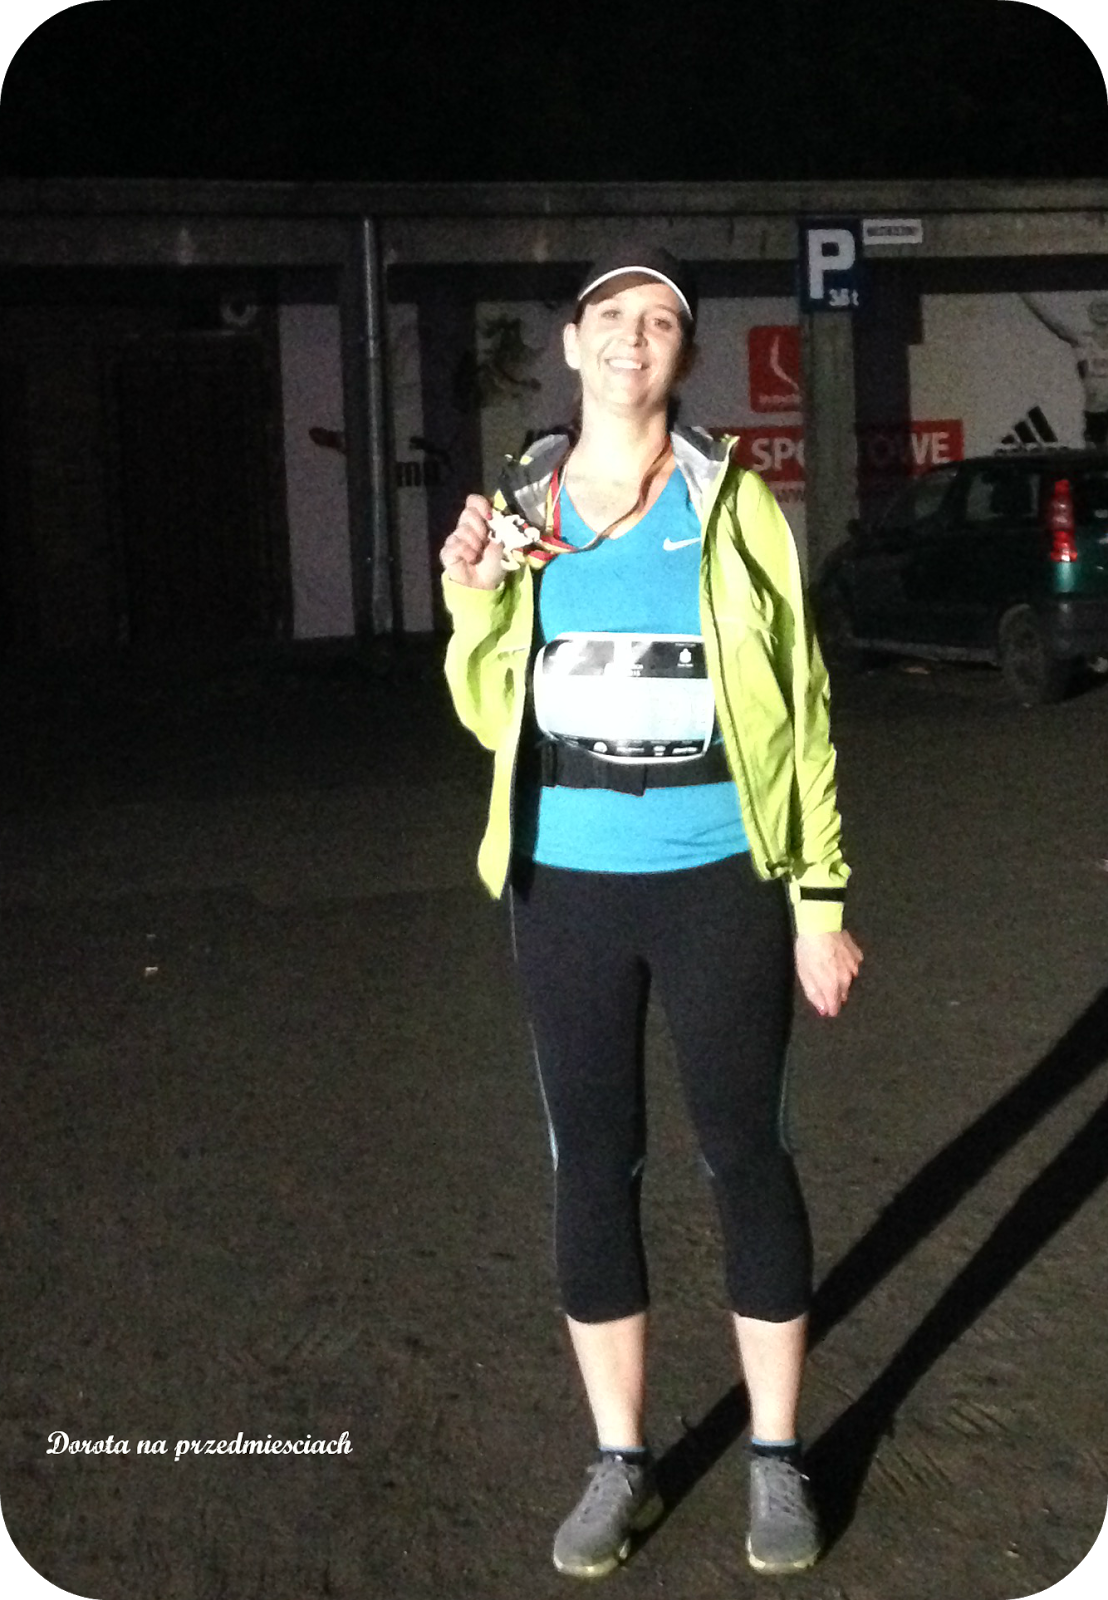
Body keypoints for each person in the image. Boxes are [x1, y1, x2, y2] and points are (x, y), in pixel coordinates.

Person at [439, 247, 862, 1579]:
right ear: (571, 343)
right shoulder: (519, 508)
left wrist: (819, 899)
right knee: (592, 1162)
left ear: (684, 356)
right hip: (565, 881)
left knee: (747, 1154)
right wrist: (473, 594)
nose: (634, 335)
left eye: (662, 320)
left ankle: (776, 1456)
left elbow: (801, 706)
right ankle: (619, 1459)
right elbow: (483, 707)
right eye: (611, 315)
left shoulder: (733, 504)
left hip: (720, 875)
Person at [1020, 292, 1108, 450]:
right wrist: (1026, 297)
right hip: (1095, 411)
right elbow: (1054, 324)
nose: (1103, 313)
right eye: (1099, 309)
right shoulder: (1083, 341)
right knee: (1094, 454)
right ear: (1092, 316)